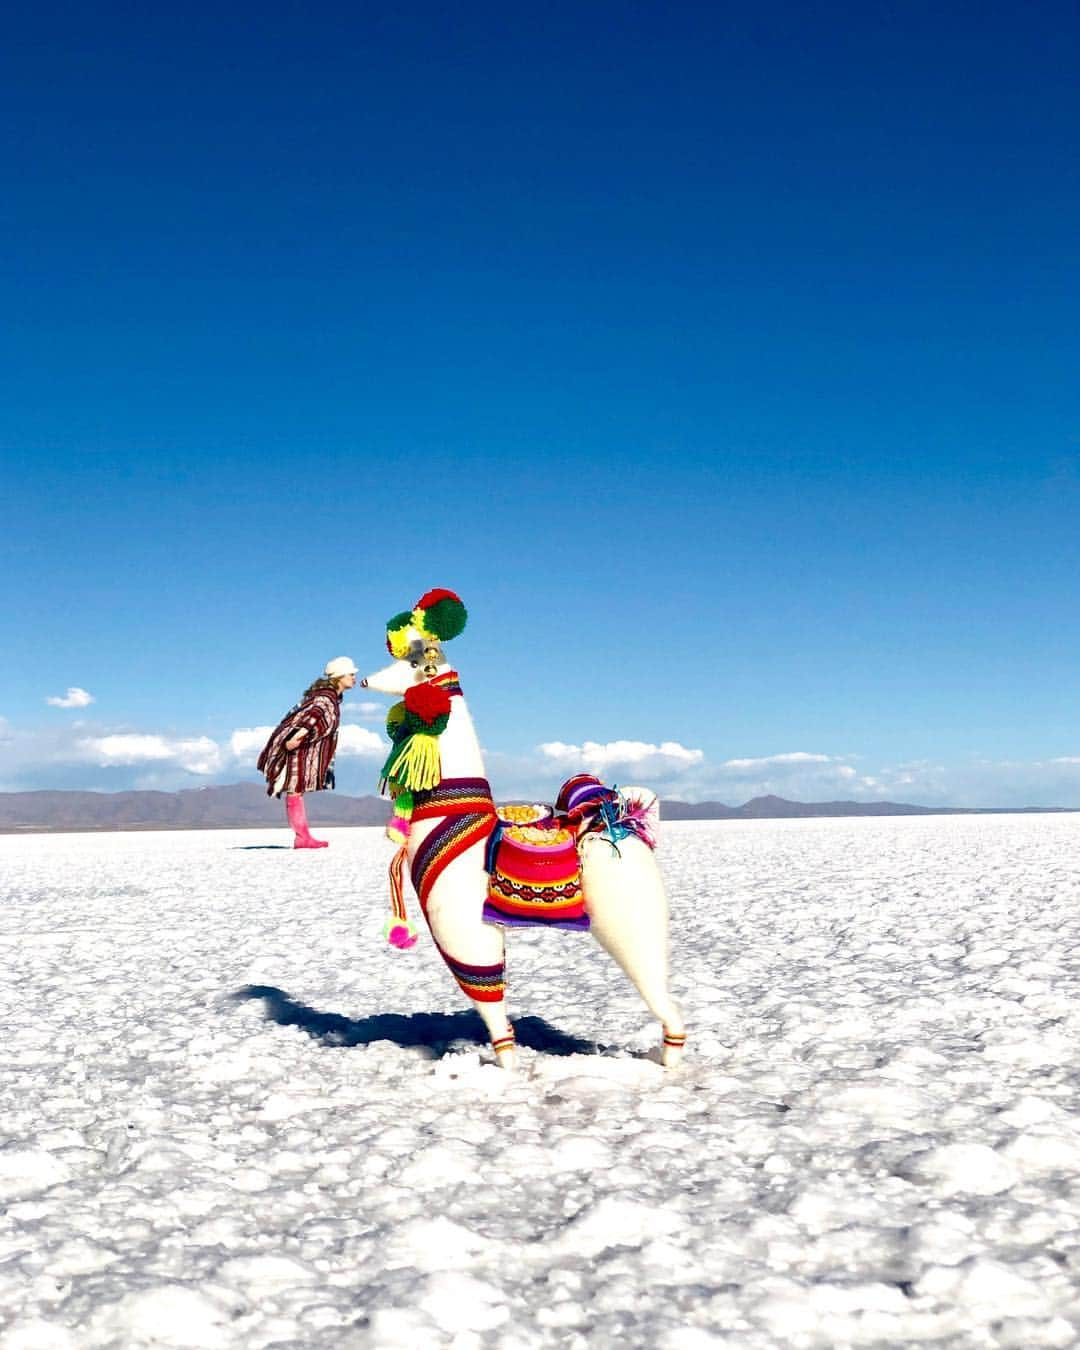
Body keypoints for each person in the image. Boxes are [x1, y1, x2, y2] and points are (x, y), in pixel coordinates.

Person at [257, 657, 358, 848]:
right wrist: (298, 737)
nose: (354, 678)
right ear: (339, 676)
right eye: (351, 674)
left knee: (296, 790)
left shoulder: (331, 697)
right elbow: (314, 716)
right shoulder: (326, 697)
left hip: (302, 747)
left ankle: (303, 836)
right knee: (294, 789)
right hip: (298, 747)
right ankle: (302, 837)